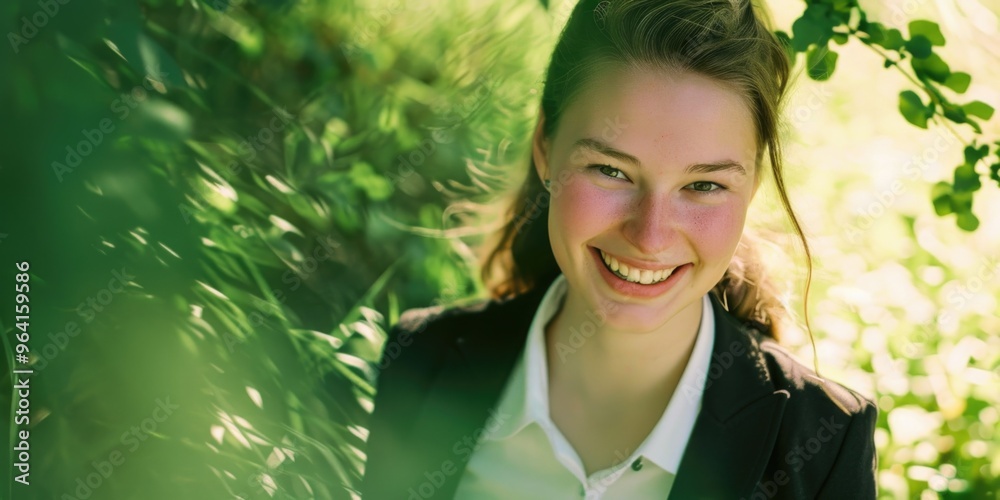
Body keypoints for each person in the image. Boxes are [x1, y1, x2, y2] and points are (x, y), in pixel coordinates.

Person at [360, 0, 878, 498]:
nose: (650, 236)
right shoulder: (423, 361)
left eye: (703, 186)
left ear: (754, 184)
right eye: (611, 171)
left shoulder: (824, 446)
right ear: (546, 150)